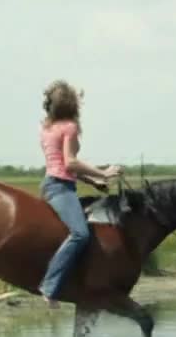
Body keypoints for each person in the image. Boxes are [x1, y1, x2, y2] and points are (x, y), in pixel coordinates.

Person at [37, 80, 122, 307]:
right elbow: (71, 163)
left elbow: (62, 167)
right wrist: (103, 173)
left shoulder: (47, 128)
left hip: (50, 183)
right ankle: (50, 286)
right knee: (80, 234)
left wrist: (93, 182)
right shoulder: (69, 127)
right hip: (61, 188)